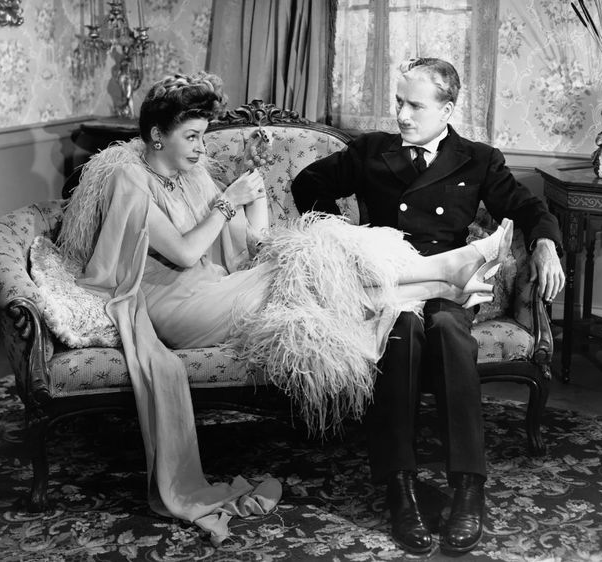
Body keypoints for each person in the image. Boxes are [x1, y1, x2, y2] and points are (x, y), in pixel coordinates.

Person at [56, 71, 517, 547]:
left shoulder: (187, 172)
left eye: (202, 136)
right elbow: (187, 253)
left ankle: (446, 275)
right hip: (175, 304)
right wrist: (227, 203)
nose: (200, 148)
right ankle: (452, 270)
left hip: (216, 288)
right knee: (310, 261)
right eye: (191, 137)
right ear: (156, 136)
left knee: (309, 260)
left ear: (446, 110)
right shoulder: (129, 179)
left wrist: (248, 194)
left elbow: (251, 245)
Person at [291, 57, 566, 555]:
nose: (401, 114)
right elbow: (307, 186)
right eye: (398, 101)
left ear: (447, 108)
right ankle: (400, 487)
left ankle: (467, 487)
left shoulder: (478, 158)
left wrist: (545, 243)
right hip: (389, 280)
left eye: (415, 104)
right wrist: (345, 243)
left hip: (446, 282)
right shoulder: (372, 151)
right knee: (402, 335)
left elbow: (529, 208)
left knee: (446, 329)